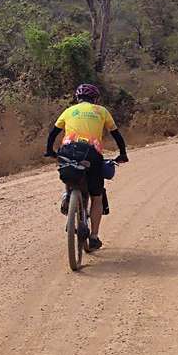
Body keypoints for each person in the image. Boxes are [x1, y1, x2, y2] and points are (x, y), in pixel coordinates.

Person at [44, 83, 129, 251]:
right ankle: (94, 236)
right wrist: (123, 154)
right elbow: (117, 135)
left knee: (69, 170)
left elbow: (53, 133)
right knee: (97, 196)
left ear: (77, 98)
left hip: (68, 150)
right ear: (95, 99)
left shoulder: (69, 111)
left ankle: (68, 196)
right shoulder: (101, 111)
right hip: (91, 154)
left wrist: (50, 151)